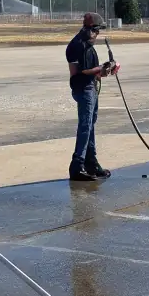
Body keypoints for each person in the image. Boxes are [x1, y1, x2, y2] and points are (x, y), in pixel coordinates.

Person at [65, 12, 117, 182]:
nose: (97, 35)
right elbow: (81, 73)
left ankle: (91, 163)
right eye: (96, 31)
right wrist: (102, 67)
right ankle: (77, 166)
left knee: (90, 125)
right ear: (88, 29)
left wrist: (107, 70)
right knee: (85, 126)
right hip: (83, 89)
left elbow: (95, 73)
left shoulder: (88, 46)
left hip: (91, 88)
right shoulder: (77, 46)